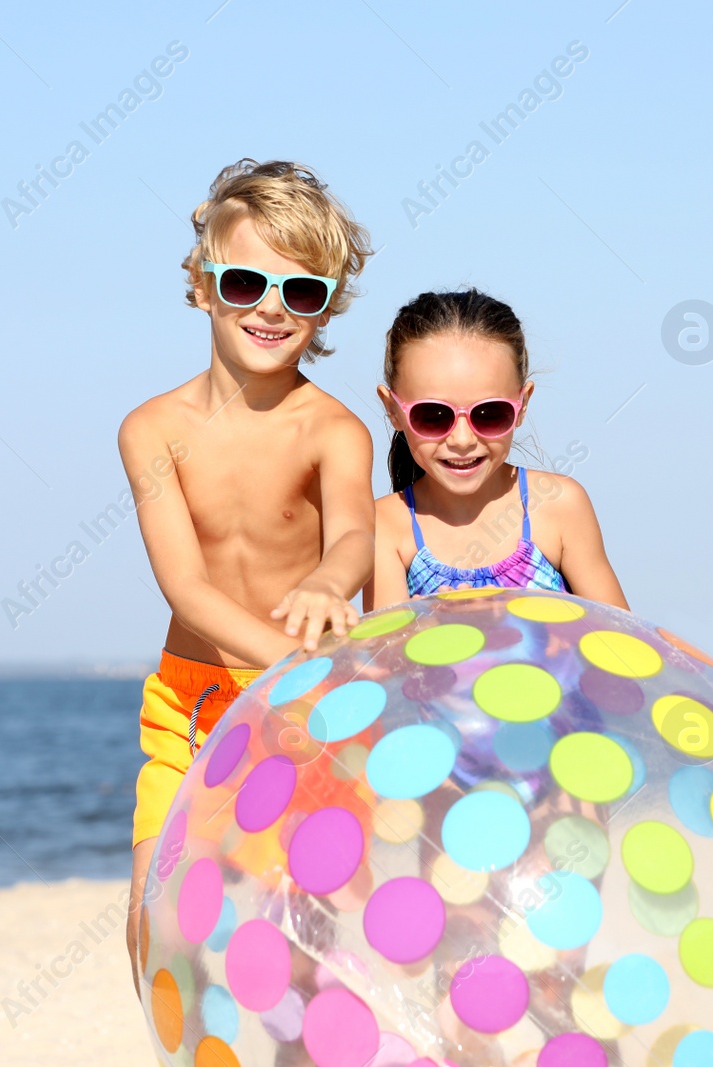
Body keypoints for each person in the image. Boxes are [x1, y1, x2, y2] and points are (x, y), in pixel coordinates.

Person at [119, 159, 374, 997]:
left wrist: (331, 586)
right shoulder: (151, 428)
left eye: (301, 292)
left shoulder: (333, 430)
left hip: (305, 706)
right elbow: (186, 588)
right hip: (195, 704)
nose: (271, 306)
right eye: (245, 281)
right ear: (201, 285)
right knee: (154, 927)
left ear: (327, 305)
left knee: (308, 925)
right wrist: (290, 665)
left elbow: (354, 540)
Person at [365, 289, 628, 610]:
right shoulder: (384, 526)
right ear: (393, 409)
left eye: (489, 413)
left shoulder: (559, 506)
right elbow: (383, 654)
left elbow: (623, 642)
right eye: (433, 415)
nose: (462, 439)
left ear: (522, 404)